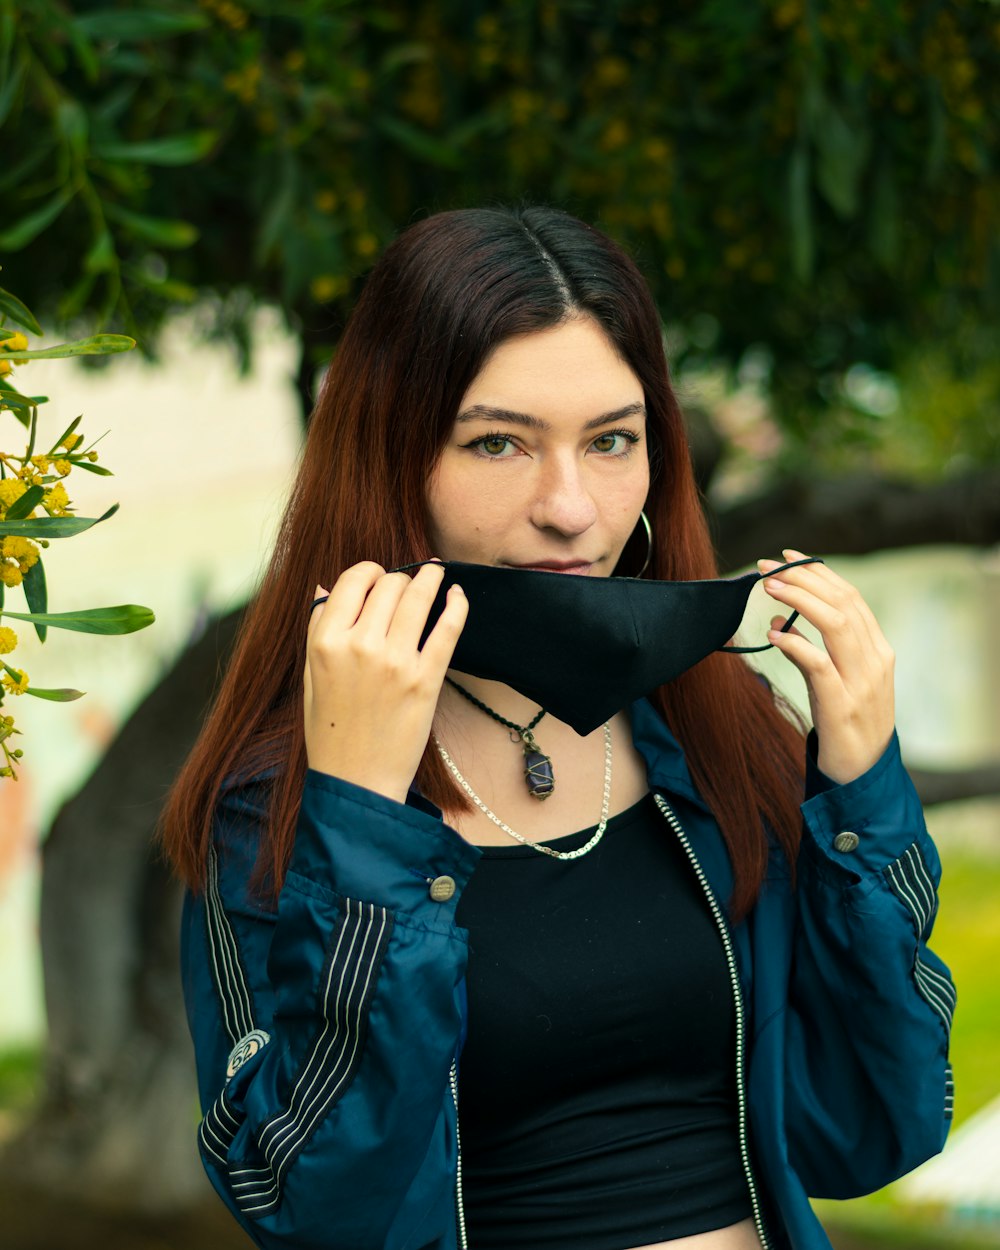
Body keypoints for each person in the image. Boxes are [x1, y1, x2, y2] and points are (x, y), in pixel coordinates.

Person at [159, 205, 955, 1250]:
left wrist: (860, 796)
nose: (571, 506)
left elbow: (873, 1128)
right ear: (394, 455)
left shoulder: (723, 729)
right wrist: (360, 821)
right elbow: (308, 1206)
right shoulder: (271, 809)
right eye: (499, 442)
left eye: (612, 440)